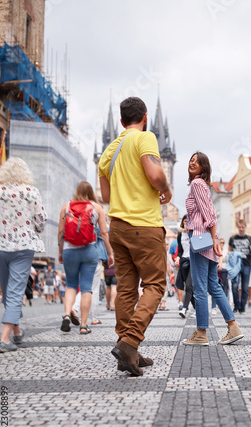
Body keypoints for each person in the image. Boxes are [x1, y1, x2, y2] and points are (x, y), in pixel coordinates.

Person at [99, 96, 172, 376]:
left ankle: (126, 353)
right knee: (154, 285)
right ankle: (130, 342)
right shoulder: (145, 138)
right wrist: (166, 189)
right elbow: (155, 175)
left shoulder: (109, 151)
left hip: (117, 226)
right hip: (144, 224)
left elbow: (105, 196)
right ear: (144, 117)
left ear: (120, 121)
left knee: (127, 290)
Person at [182, 152, 243, 346]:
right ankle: (233, 327)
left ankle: (201, 333)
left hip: (200, 239)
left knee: (200, 288)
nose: (192, 163)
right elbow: (209, 214)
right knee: (212, 285)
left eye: (196, 161)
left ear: (204, 167)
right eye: (191, 160)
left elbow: (209, 215)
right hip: (207, 238)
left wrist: (214, 240)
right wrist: (214, 239)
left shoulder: (197, 184)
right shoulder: (204, 185)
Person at [0, 157, 47, 353]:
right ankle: (5, 338)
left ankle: (16, 331)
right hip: (23, 247)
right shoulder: (31, 192)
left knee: (8, 289)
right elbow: (41, 221)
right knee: (15, 291)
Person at [58, 181, 113, 334]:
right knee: (87, 288)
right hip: (89, 250)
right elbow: (104, 234)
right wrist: (110, 253)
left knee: (71, 285)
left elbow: (61, 231)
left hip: (69, 250)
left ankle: (67, 316)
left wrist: (60, 251)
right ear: (91, 192)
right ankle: (83, 325)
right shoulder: (97, 208)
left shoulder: (66, 206)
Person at [228, 219, 251, 313]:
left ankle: (242, 307)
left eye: (243, 227)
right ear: (237, 227)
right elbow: (229, 251)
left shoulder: (249, 238)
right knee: (234, 286)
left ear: (245, 227)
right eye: (239, 227)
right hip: (235, 265)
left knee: (245, 287)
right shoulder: (233, 238)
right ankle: (236, 305)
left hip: (246, 264)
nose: (241, 229)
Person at [176, 215, 195, 318]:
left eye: (188, 222)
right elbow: (180, 250)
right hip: (183, 261)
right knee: (187, 287)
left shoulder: (193, 234)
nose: (186, 223)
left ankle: (184, 308)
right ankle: (197, 309)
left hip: (192, 261)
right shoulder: (180, 235)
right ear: (182, 223)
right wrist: (178, 258)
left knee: (189, 285)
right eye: (185, 221)